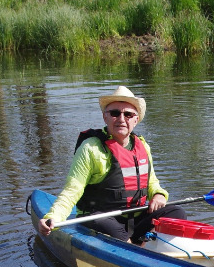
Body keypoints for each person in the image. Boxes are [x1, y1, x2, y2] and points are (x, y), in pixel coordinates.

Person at [37, 86, 186, 244]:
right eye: (115, 113)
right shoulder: (91, 148)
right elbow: (72, 190)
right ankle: (133, 250)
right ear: (105, 117)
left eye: (128, 114)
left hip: (134, 219)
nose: (121, 119)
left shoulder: (142, 146)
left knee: (177, 212)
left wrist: (158, 195)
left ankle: (146, 245)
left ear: (136, 120)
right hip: (100, 218)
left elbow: (152, 183)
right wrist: (53, 217)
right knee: (108, 226)